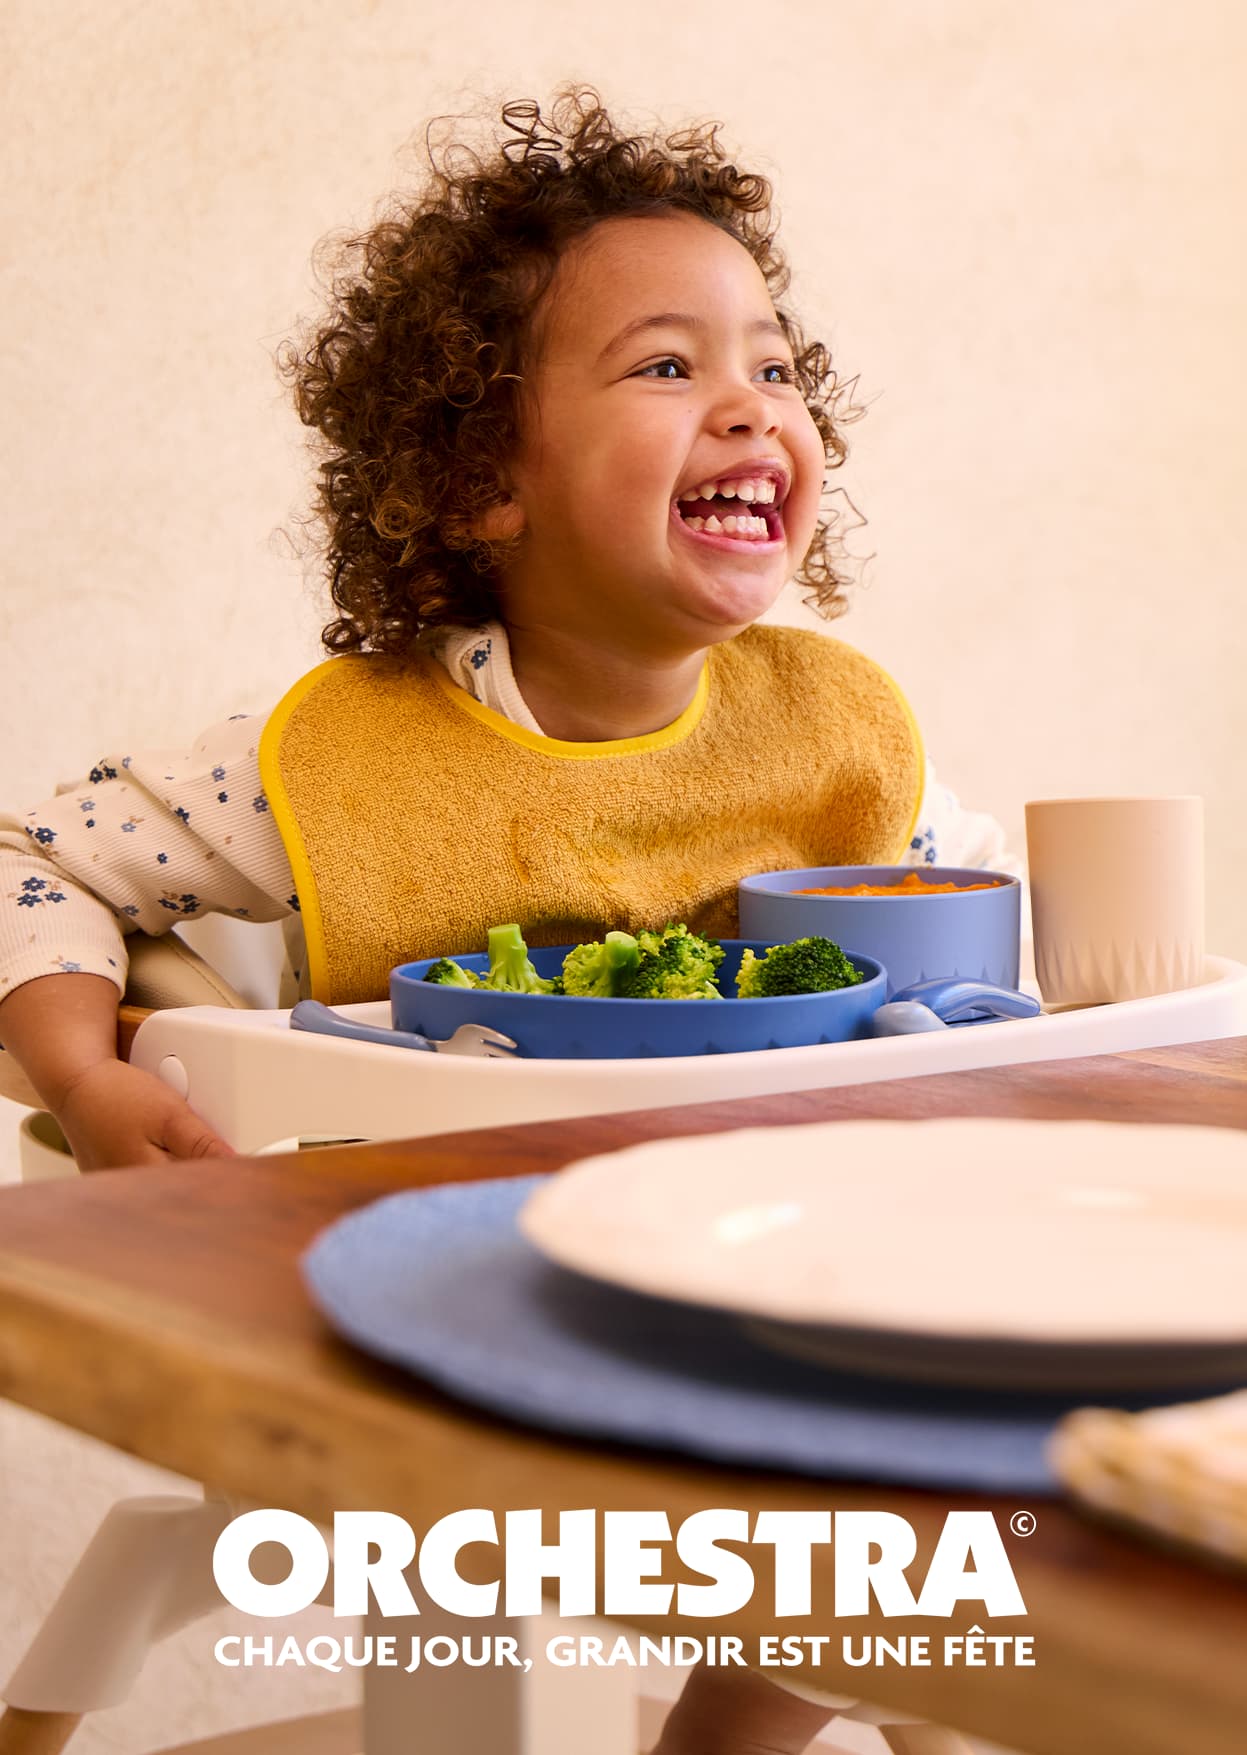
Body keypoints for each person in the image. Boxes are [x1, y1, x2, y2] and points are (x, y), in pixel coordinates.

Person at [0, 91, 1009, 1748]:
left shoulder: (841, 744)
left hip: (750, 1307)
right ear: (483, 479)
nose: (752, 405)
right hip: (413, 1315)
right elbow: (30, 858)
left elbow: (981, 949)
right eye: (669, 367)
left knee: (912, 1475)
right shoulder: (342, 761)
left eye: (773, 363)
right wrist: (89, 1076)